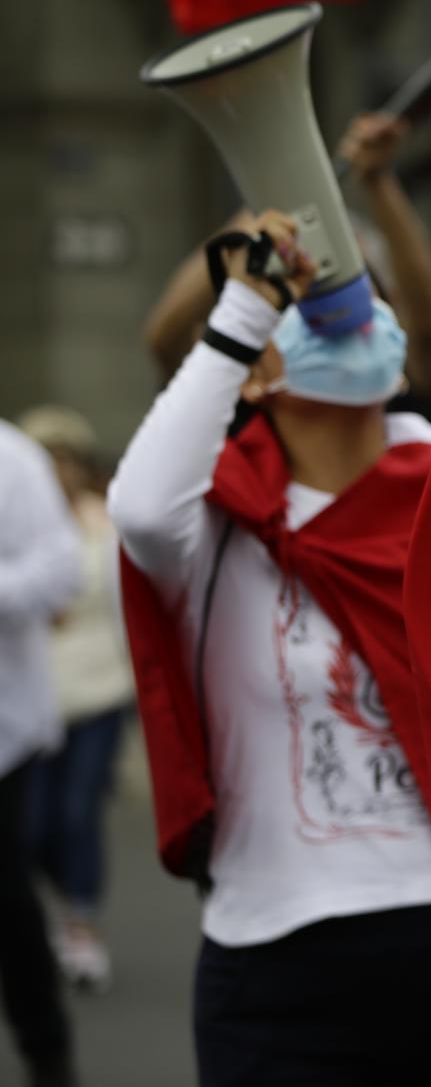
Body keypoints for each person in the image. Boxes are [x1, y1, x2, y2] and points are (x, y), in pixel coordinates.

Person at [107, 215, 431, 1085]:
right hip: (281, 964)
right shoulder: (213, 522)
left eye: (356, 287)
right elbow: (138, 507)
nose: (344, 306)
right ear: (252, 369)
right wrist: (246, 304)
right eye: (304, 299)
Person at [141, 111, 431, 410]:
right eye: (300, 279)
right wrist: (265, 206)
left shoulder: (389, 373)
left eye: (346, 278)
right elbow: (167, 339)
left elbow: (427, 324)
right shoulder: (246, 392)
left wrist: (377, 180)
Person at [18, 407, 131, 993]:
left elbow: (125, 612)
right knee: (31, 826)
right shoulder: (17, 528)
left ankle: (81, 921)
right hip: (34, 700)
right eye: (46, 458)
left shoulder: (106, 524)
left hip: (101, 689)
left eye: (66, 458)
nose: (57, 471)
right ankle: (66, 898)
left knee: (77, 810)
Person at [0, 416, 83, 1087]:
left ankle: (45, 1050)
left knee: (7, 901)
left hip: (4, 736)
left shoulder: (14, 458)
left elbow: (61, 570)